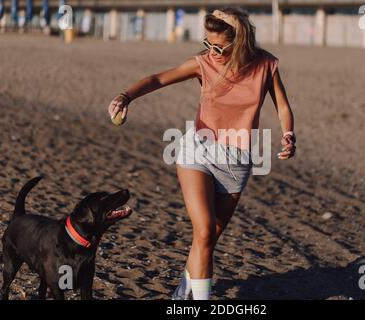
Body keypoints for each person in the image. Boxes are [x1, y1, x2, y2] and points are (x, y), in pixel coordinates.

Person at [107, 7, 296, 300]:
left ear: (239, 42)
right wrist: (125, 95)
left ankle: (186, 287)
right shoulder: (203, 64)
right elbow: (158, 79)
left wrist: (288, 133)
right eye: (207, 43)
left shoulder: (265, 65)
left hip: (238, 161)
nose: (212, 51)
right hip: (199, 151)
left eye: (219, 46)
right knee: (206, 231)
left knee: (206, 240)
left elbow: (282, 106)